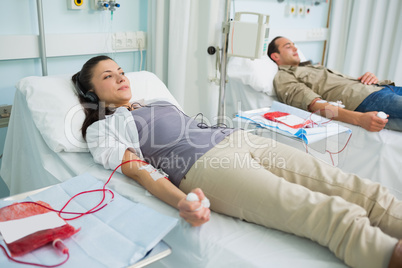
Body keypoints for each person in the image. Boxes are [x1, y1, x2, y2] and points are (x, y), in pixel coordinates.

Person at [72, 55, 402, 268]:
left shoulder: (155, 100)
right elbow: (142, 173)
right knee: (319, 210)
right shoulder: (103, 129)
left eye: (120, 71)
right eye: (107, 77)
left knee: (354, 187)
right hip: (205, 167)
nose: (120, 78)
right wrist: (184, 201)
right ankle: (384, 254)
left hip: (239, 139)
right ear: (91, 93)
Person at [268, 36, 402, 132]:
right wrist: (359, 119)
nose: (295, 48)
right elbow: (315, 105)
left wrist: (369, 78)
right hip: (367, 99)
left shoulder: (311, 67)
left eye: (293, 44)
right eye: (288, 46)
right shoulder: (284, 77)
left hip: (381, 87)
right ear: (275, 56)